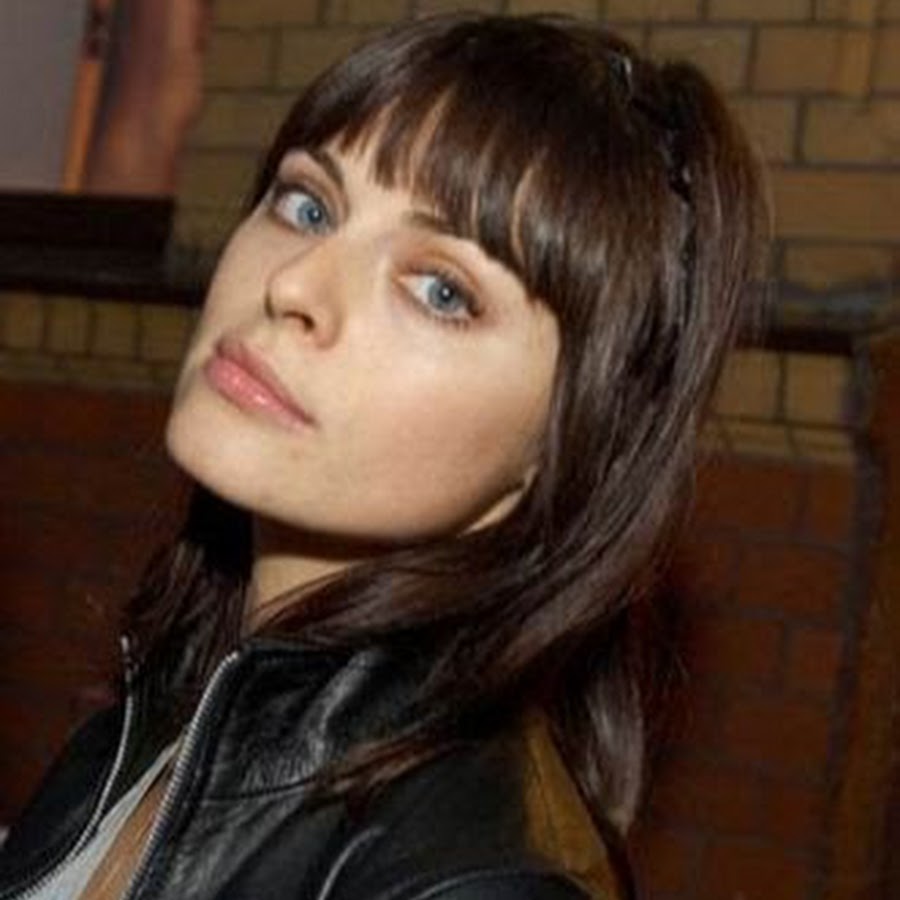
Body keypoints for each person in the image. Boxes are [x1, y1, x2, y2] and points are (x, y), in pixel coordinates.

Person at [0, 12, 763, 900]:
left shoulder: (473, 884)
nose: (294, 283)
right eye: (308, 205)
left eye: (441, 290)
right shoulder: (171, 713)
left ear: (568, 444)